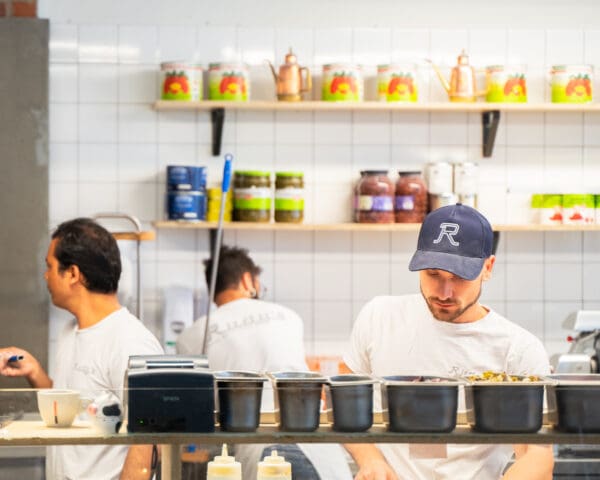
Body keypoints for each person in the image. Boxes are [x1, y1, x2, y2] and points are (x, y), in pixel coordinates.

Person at [344, 203, 554, 480]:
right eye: (433, 274)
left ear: (487, 268)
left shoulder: (518, 348)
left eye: (459, 278)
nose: (444, 292)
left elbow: (537, 455)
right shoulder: (379, 316)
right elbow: (343, 402)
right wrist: (370, 460)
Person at [0, 218, 163, 480]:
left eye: (50, 267)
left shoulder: (131, 342)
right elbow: (72, 413)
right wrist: (35, 371)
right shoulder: (70, 332)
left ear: (73, 274)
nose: (45, 275)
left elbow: (148, 442)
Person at [177, 245, 352, 480]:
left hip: (258, 451)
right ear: (248, 280)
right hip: (315, 441)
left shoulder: (193, 335)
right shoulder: (288, 317)